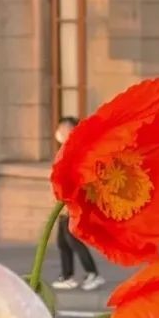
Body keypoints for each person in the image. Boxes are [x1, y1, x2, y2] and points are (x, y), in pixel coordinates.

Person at [51, 116, 105, 292]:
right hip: (62, 203)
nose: (59, 131)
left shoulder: (78, 150)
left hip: (71, 203)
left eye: (63, 127)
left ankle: (93, 273)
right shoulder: (64, 150)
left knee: (72, 239)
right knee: (62, 241)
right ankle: (67, 275)